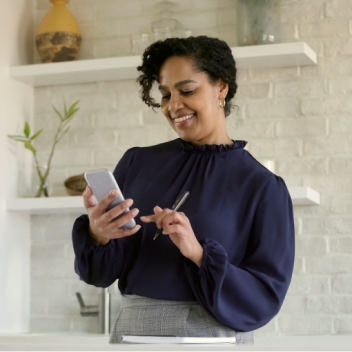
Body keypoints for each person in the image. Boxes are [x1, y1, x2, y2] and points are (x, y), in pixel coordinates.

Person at [72, 35, 295, 344]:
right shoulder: (137, 163)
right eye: (165, 95)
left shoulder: (262, 187)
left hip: (212, 336)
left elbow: (266, 296)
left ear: (221, 87)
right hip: (134, 332)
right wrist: (99, 234)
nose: (173, 105)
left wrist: (198, 253)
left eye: (187, 90)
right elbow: (98, 275)